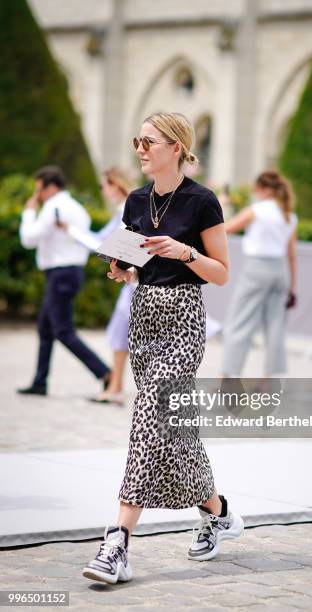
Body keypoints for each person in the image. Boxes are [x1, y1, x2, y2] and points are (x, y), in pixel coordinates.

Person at [82, 112, 244, 584]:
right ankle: (219, 512)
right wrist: (120, 268)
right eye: (138, 140)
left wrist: (185, 252)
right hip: (144, 316)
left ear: (177, 147)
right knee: (174, 434)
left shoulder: (201, 201)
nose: (140, 148)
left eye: (149, 141)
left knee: (149, 414)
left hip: (184, 320)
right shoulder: (135, 201)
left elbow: (222, 272)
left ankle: (117, 542)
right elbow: (128, 264)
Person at [17, 166, 111, 396]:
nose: (36, 195)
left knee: (62, 331)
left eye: (38, 189)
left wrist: (29, 212)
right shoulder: (78, 209)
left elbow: (29, 239)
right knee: (46, 328)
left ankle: (106, 373)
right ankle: (40, 381)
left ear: (50, 187)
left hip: (60, 273)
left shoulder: (53, 207)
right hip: (70, 271)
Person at [63, 167, 135, 405]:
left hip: (136, 281)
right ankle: (115, 386)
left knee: (120, 331)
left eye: (105, 185)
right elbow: (101, 239)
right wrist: (73, 231)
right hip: (132, 281)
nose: (103, 190)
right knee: (120, 331)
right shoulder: (124, 209)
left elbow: (103, 245)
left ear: (116, 184)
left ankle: (116, 388)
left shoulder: (128, 209)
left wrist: (72, 232)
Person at [221, 170, 298, 378]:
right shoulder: (289, 214)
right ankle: (270, 376)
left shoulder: (256, 210)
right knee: (275, 325)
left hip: (257, 268)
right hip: (280, 271)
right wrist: (293, 287)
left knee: (239, 321)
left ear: (264, 189)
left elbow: (226, 229)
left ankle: (229, 372)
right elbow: (292, 255)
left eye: (256, 189)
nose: (254, 193)